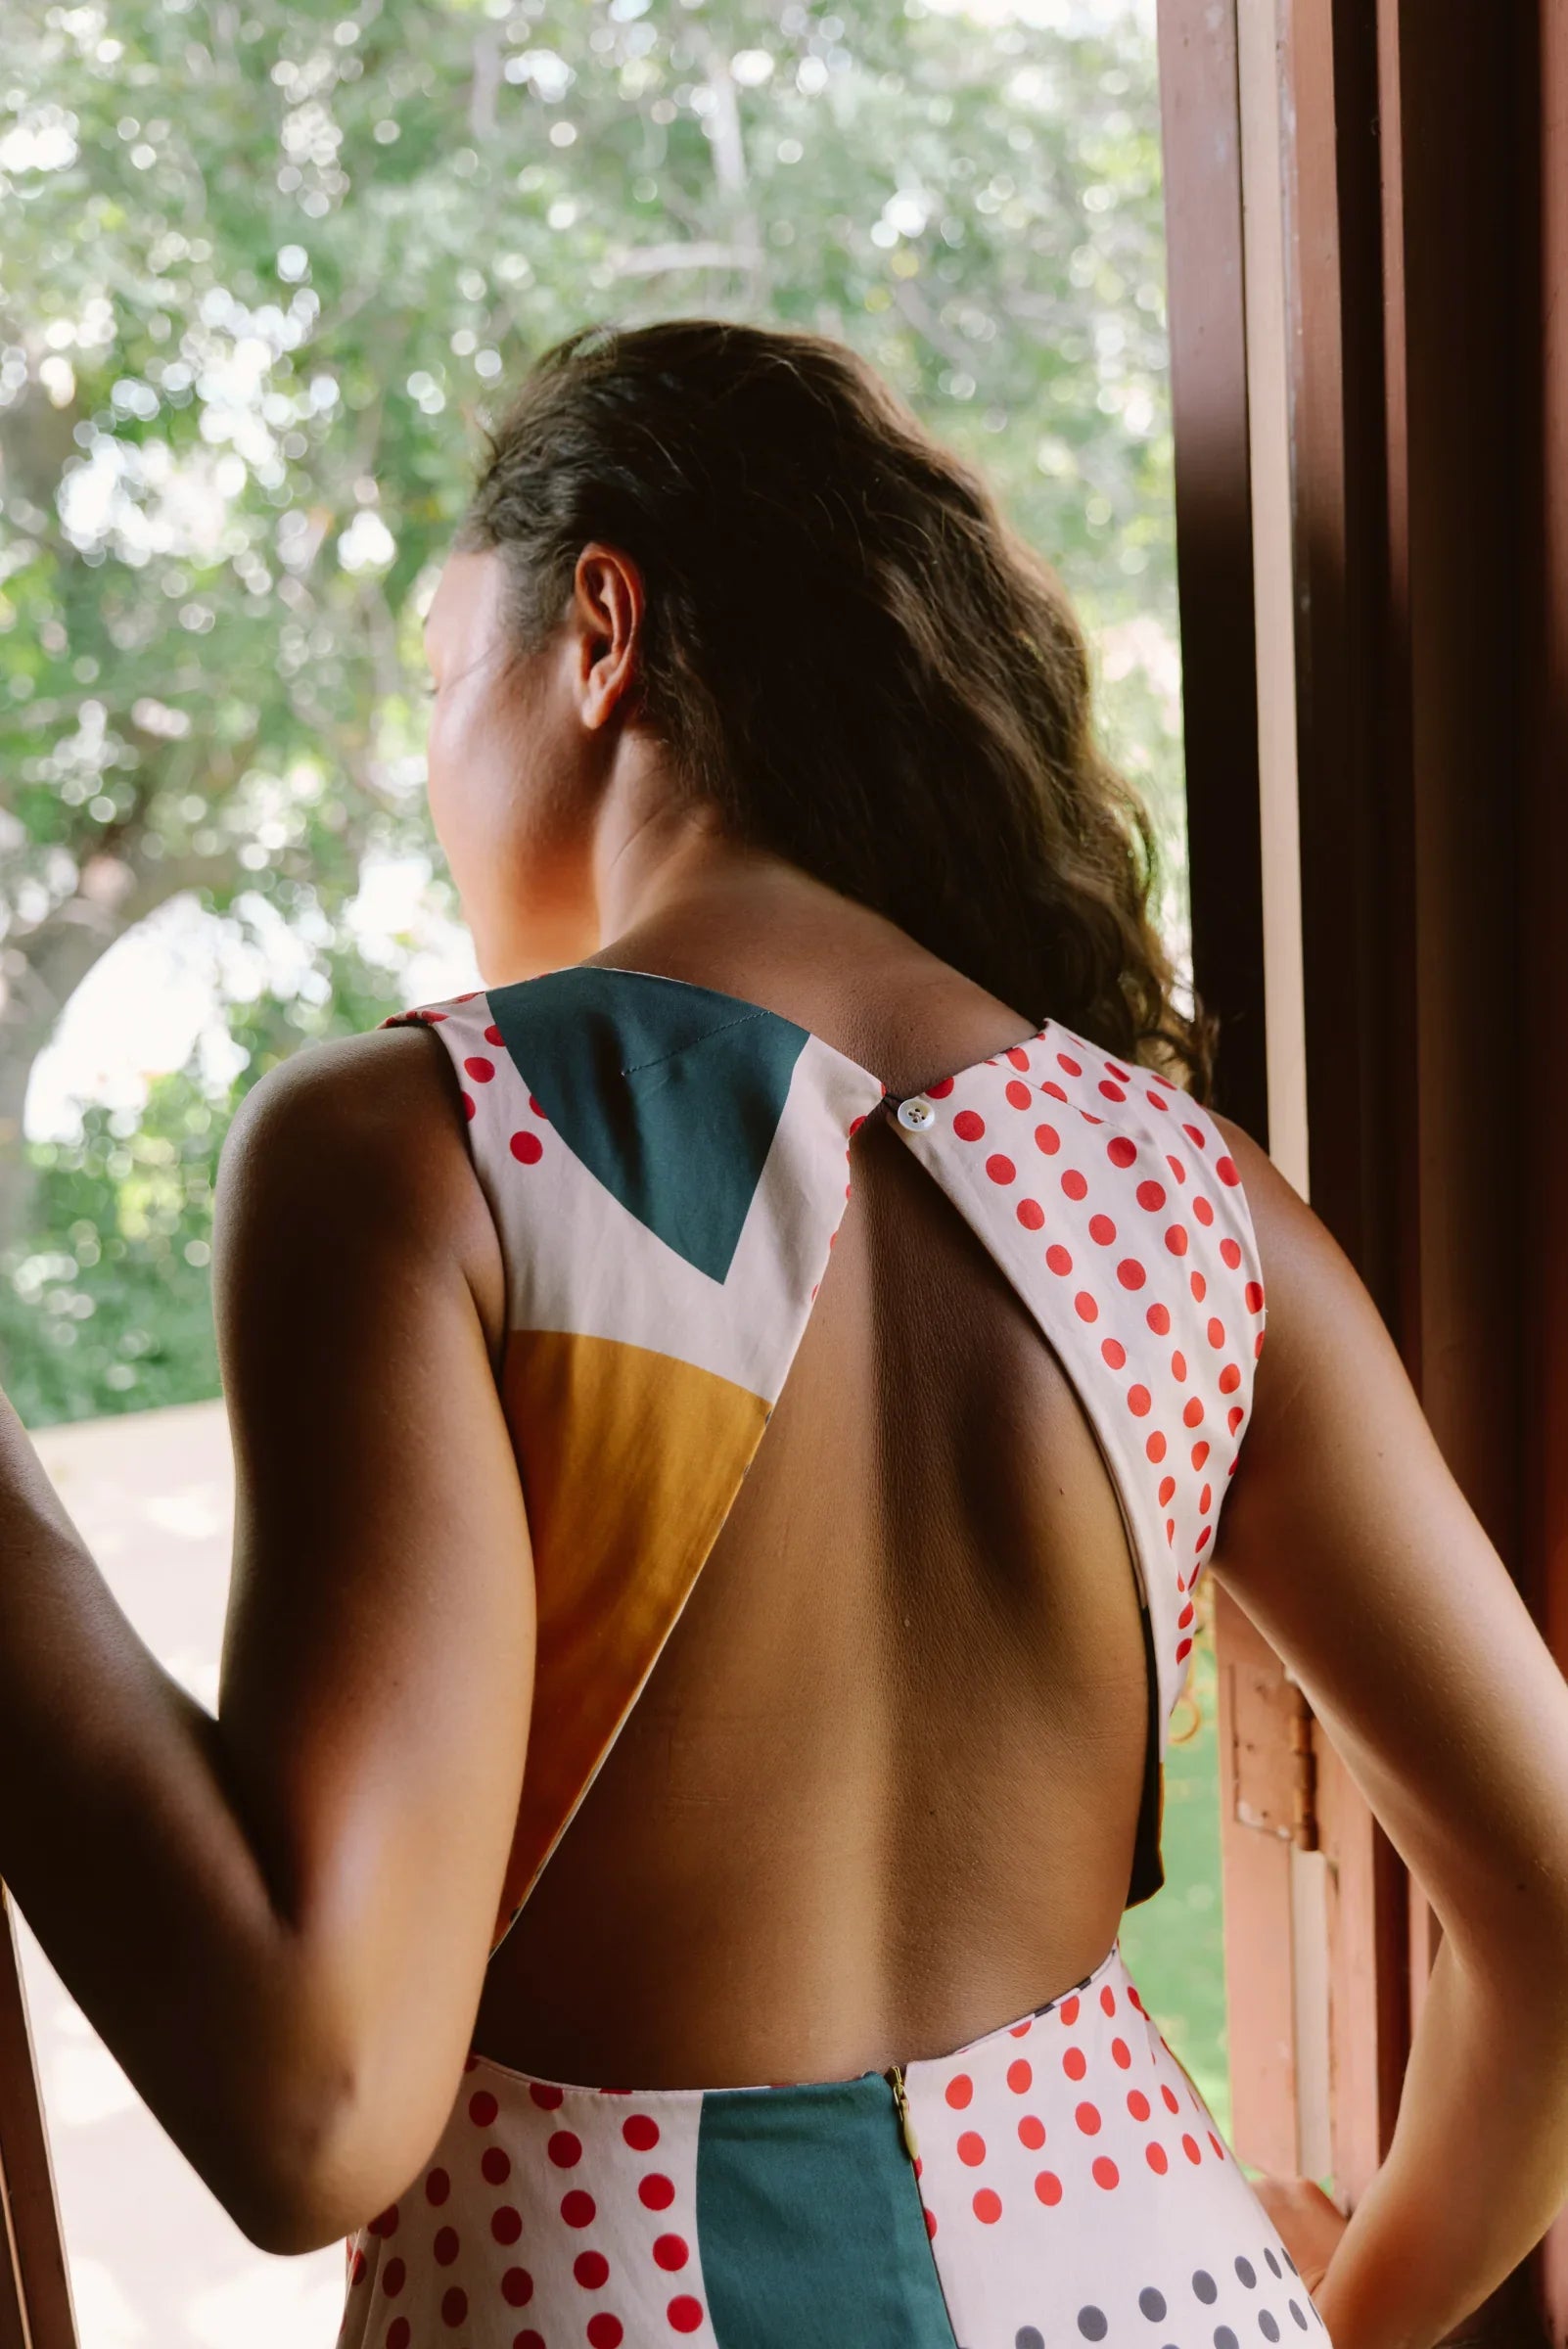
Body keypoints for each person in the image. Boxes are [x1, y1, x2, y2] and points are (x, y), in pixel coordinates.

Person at [1, 319, 1566, 2349]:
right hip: (1166, 2289)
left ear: (600, 631)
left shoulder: (426, 1149)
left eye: (430, 678)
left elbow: (311, 2108)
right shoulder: (1195, 1200)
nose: (429, 768)